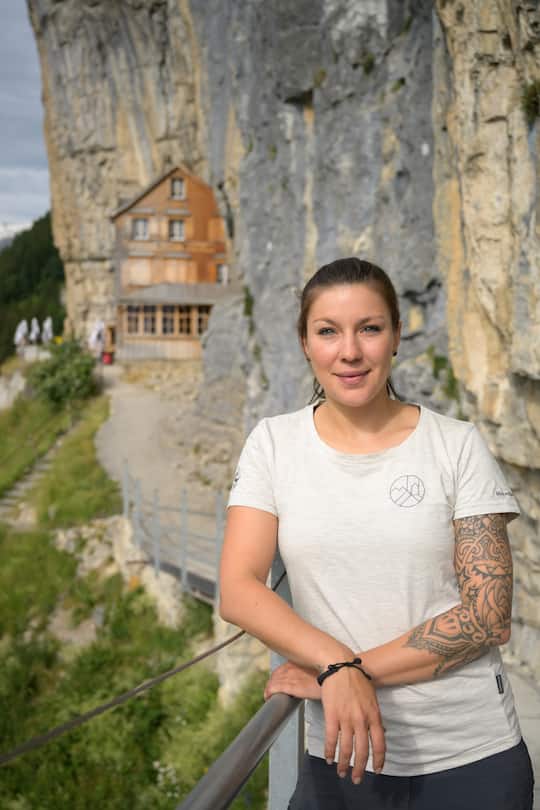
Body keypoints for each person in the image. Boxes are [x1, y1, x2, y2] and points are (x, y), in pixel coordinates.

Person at [220, 258, 534, 810]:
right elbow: (239, 588)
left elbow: (487, 614)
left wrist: (347, 671)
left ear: (395, 336)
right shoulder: (273, 445)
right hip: (341, 756)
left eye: (369, 328)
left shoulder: (455, 445)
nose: (350, 352)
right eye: (328, 331)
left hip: (471, 756)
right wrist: (333, 661)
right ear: (304, 343)